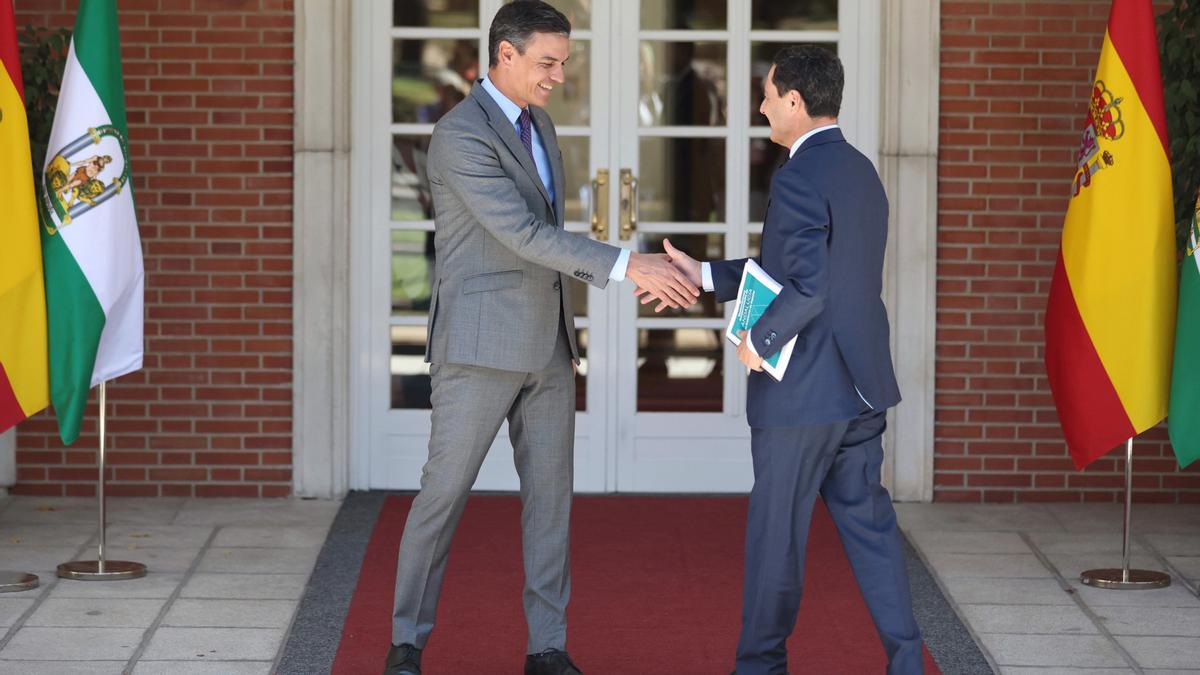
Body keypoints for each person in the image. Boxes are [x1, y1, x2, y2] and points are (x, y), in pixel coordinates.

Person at [383, 3, 699, 675]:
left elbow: (547, 234)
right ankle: (406, 642)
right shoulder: (459, 135)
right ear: (504, 56)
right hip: (479, 347)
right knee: (442, 498)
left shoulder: (543, 126)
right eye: (547, 62)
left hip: (550, 347)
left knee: (551, 503)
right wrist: (625, 264)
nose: (559, 74)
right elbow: (522, 233)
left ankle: (547, 648)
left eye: (564, 61)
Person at [652, 46, 924, 674]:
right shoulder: (860, 170)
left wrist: (760, 340)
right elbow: (802, 271)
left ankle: (760, 667)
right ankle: (908, 661)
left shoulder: (798, 174)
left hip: (803, 393)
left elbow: (810, 286)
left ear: (796, 103)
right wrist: (708, 273)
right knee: (872, 530)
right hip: (859, 388)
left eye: (769, 96)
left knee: (777, 540)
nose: (762, 106)